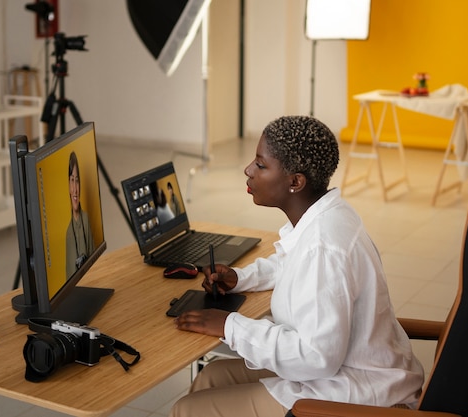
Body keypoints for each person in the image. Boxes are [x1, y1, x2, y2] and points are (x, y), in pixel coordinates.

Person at [170, 116, 424, 417]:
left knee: (186, 410)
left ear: (295, 181)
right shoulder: (329, 214)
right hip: (346, 371)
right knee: (209, 377)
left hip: (356, 393)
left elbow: (316, 357)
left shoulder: (324, 247)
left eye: (261, 165)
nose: (248, 170)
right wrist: (240, 278)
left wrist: (229, 326)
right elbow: (291, 262)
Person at [66, 151, 94, 280]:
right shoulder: (69, 233)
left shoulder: (86, 219)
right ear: (68, 185)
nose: (75, 189)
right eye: (72, 180)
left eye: (77, 181)